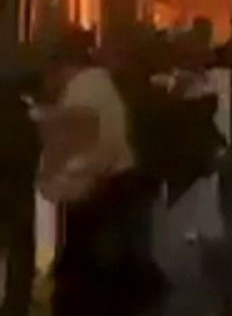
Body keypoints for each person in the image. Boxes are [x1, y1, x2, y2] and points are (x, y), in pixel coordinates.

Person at [38, 29, 163, 316]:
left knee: (92, 287)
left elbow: (85, 155)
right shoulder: (99, 86)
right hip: (116, 195)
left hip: (101, 200)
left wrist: (57, 186)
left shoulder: (82, 93)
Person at [0, 73, 41, 316]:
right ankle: (17, 305)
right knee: (20, 253)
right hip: (19, 193)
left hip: (9, 191)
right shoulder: (25, 117)